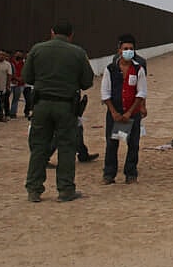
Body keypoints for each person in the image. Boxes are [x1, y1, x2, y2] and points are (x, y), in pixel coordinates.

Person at [23, 20, 94, 202]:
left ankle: (34, 189)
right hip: (66, 106)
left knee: (39, 147)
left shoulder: (37, 49)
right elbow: (87, 82)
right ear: (71, 35)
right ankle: (65, 189)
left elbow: (27, 77)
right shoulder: (78, 53)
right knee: (66, 147)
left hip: (41, 104)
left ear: (52, 32)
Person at [102, 33, 148, 186]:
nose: (128, 51)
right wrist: (114, 112)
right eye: (125, 48)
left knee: (133, 144)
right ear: (119, 50)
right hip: (114, 113)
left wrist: (130, 112)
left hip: (132, 114)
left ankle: (131, 174)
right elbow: (105, 92)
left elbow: (141, 92)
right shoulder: (110, 69)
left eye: (131, 49)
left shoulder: (139, 69)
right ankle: (109, 174)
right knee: (112, 143)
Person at [0, 51, 14, 122]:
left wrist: (8, 85)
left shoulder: (7, 64)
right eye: (0, 54)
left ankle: (4, 115)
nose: (1, 56)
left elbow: (9, 75)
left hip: (3, 86)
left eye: (3, 55)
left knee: (3, 101)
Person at [8, 49, 26, 119]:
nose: (18, 55)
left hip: (20, 83)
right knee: (6, 98)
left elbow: (25, 72)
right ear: (15, 54)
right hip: (10, 82)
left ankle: (13, 113)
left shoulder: (23, 63)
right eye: (17, 54)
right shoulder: (10, 62)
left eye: (20, 54)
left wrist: (20, 79)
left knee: (16, 99)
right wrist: (14, 78)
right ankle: (6, 112)